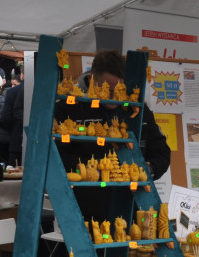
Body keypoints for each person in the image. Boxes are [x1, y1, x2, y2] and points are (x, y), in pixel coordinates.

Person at [53, 49, 170, 221]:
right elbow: (57, 156)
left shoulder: (139, 111)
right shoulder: (69, 108)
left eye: (120, 90)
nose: (114, 97)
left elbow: (162, 152)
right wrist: (89, 168)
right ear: (92, 79)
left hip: (133, 208)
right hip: (87, 209)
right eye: (108, 90)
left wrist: (150, 168)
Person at [0, 79, 24, 166]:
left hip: (17, 141)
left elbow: (6, 118)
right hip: (43, 144)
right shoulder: (49, 90)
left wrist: (14, 129)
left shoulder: (12, 92)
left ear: (22, 75)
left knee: (16, 173)